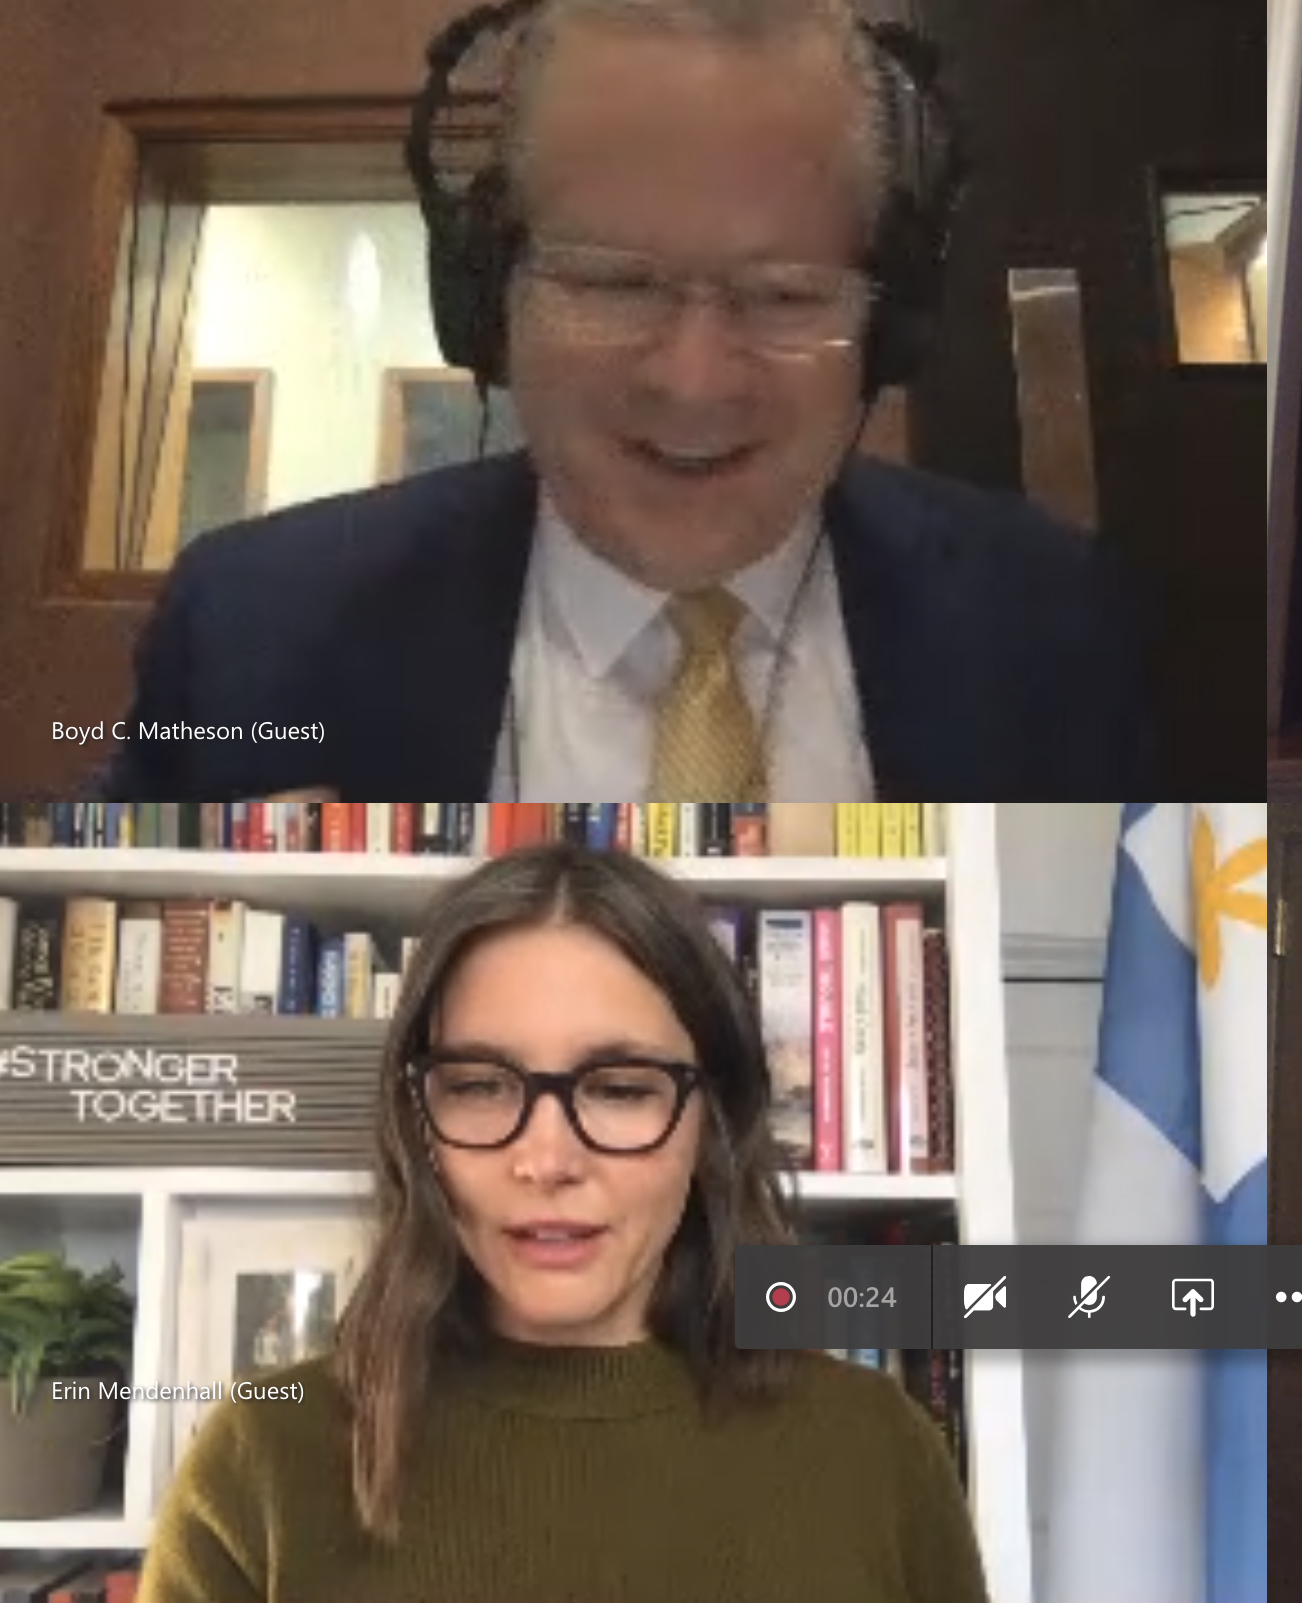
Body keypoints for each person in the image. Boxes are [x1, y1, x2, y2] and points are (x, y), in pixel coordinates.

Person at [102, 0, 1151, 801]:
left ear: (894, 319)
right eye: (610, 282)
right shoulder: (253, 631)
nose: (692, 380)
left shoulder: (1053, 627)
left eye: (784, 295)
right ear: (485, 295)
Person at [139, 843, 988, 1603]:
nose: (546, 1160)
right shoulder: (263, 1462)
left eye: (618, 1089)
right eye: (480, 1084)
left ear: (710, 1124)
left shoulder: (879, 1455)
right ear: (418, 1124)